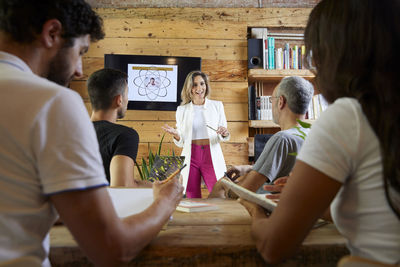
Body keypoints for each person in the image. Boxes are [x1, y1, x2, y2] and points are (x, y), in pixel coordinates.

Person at [0, 1, 183, 266]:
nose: (79, 70)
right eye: (81, 51)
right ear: (52, 33)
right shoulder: (53, 102)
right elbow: (112, 248)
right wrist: (166, 203)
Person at [240, 0, 400, 265]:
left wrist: (256, 208)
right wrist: (312, 202)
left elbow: (273, 246)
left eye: (316, 52)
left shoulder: (349, 116)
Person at [209, 76, 314, 197]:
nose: (271, 104)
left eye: (271, 99)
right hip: (292, 204)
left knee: (221, 185)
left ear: (281, 102)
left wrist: (226, 186)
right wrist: (248, 168)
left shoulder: (282, 139)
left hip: (267, 205)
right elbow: (282, 167)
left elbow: (246, 190)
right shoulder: (311, 134)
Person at [162, 71, 230, 198]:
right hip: (191, 155)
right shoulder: (182, 110)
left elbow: (224, 133)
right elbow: (181, 141)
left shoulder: (217, 106)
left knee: (219, 194)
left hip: (211, 155)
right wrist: (176, 134)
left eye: (202, 84)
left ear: (206, 85)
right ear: (189, 88)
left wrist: (225, 133)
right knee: (191, 195)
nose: (199, 88)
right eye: (194, 85)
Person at [87, 68, 151, 187]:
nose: (128, 100)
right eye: (127, 95)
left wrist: (155, 186)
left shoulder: (72, 132)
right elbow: (122, 187)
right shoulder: (125, 135)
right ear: (119, 100)